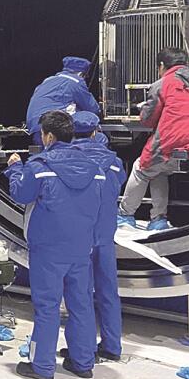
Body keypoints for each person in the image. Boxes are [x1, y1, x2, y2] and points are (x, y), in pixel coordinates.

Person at [6, 111, 101, 379]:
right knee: (81, 304)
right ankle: (83, 363)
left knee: (47, 307)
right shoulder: (93, 168)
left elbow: (21, 193)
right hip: (81, 246)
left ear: (48, 136)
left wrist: (15, 169)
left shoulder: (39, 166)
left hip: (48, 248)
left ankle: (42, 366)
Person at [118, 48, 189, 232]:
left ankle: (125, 215)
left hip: (172, 144)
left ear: (161, 65)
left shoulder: (162, 84)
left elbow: (148, 120)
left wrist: (143, 108)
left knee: (141, 168)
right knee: (158, 171)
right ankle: (158, 219)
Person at [68, 111, 128, 362]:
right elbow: (121, 180)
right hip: (105, 235)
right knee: (108, 292)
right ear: (95, 131)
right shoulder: (114, 161)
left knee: (80, 294)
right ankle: (112, 346)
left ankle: (83, 349)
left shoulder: (69, 159)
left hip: (79, 235)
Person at [25, 57, 101, 146]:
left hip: (36, 128)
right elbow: (92, 108)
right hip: (55, 128)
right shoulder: (75, 81)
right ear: (81, 74)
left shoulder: (48, 80)